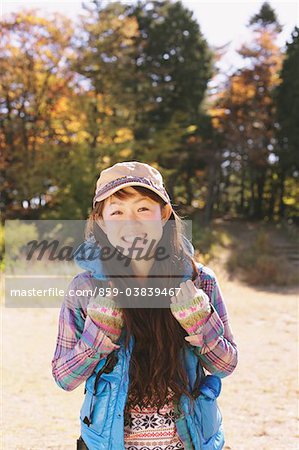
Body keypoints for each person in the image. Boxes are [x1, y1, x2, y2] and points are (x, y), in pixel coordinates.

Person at [51, 161, 238, 450]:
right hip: (109, 443)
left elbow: (226, 365)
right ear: (101, 221)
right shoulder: (84, 288)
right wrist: (97, 336)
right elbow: (64, 378)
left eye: (143, 209)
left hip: (190, 441)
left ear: (163, 214)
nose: (131, 223)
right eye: (116, 212)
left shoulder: (199, 280)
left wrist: (201, 323)